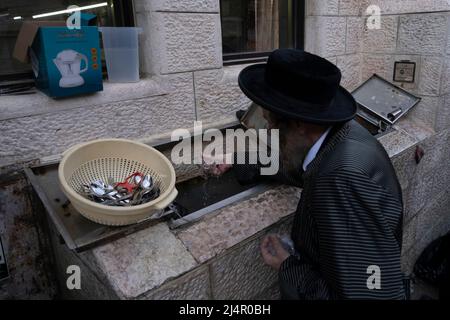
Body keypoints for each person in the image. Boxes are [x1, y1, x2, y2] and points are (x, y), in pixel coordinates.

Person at [209, 49, 405, 299]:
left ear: (300, 123)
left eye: (271, 122)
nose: (268, 129)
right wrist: (238, 161)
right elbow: (299, 168)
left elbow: (372, 294)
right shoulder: (340, 137)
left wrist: (287, 266)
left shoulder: (340, 180)